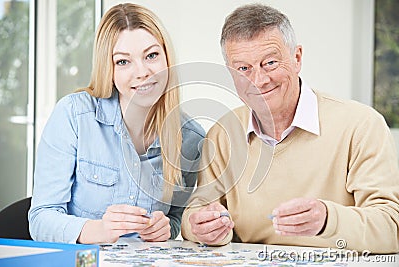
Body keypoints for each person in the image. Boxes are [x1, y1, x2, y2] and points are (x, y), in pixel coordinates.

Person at [181, 3, 399, 253]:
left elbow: (391, 229)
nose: (259, 81)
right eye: (243, 69)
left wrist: (329, 219)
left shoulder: (361, 126)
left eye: (270, 63)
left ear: (297, 58)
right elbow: (196, 213)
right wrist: (199, 226)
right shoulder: (223, 133)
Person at [28, 3, 205, 244]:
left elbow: (175, 219)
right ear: (108, 68)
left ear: (167, 57)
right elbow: (40, 219)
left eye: (151, 55)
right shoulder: (74, 116)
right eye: (123, 61)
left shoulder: (192, 138)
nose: (142, 72)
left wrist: (166, 228)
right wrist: (97, 230)